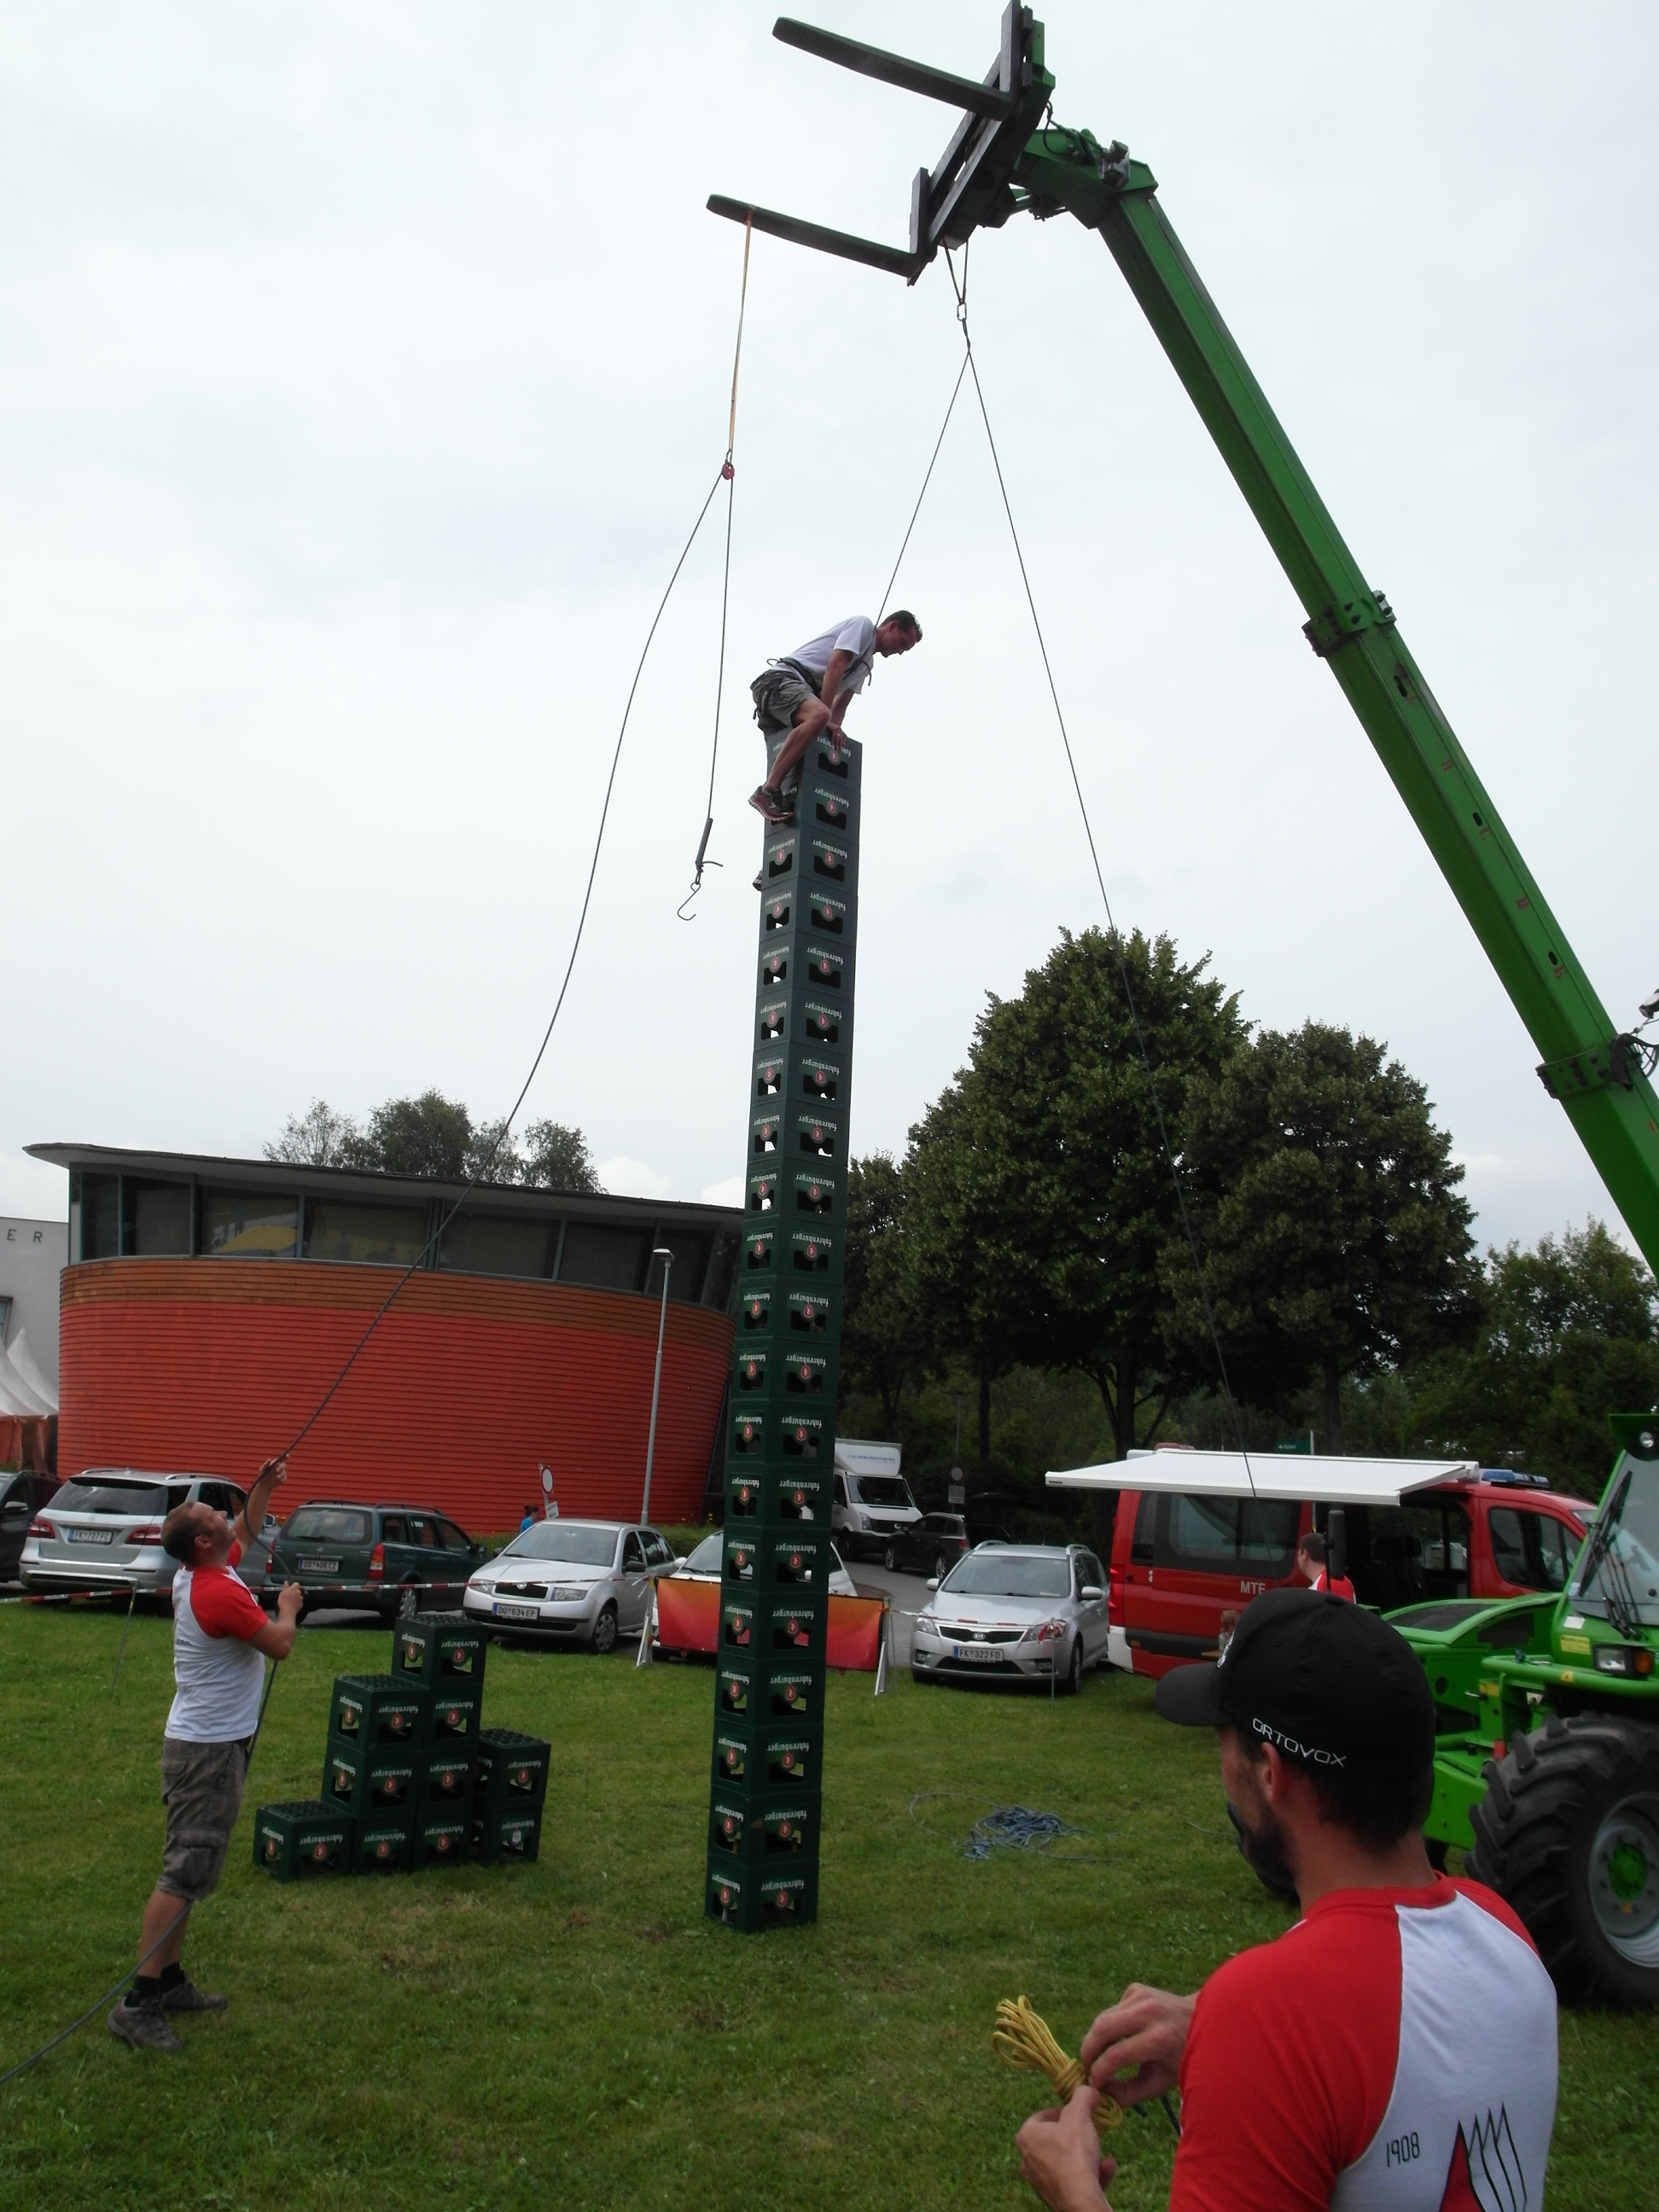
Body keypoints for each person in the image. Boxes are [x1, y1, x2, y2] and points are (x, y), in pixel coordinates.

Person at [1014, 1587, 1557, 2212]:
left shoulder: (1269, 2017)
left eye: (1222, 1738)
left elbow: (1315, 2027)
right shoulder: (1504, 1930)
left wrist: (1073, 2191)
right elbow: (1405, 2047)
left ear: (1270, 1772)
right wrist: (1212, 2028)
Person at [109, 1457, 303, 2053]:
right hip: (206, 1753)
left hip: (205, 1746)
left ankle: (168, 1981)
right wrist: (289, 1607)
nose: (220, 1512)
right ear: (200, 1540)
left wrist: (262, 1486)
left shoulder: (205, 1571)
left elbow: (245, 1529)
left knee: (192, 1871)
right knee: (183, 1873)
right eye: (208, 1512)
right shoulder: (217, 1591)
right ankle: (138, 2003)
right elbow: (279, 1645)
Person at [748, 611, 922, 824]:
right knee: (820, 715)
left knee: (795, 757)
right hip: (779, 682)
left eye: (905, 650)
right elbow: (835, 666)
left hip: (793, 699)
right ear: (892, 626)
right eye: (902, 643)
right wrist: (825, 718)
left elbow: (840, 706)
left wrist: (831, 735)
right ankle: (767, 790)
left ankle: (775, 799)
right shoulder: (863, 626)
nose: (900, 651)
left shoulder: (866, 665)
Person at [1296, 1527, 1354, 1601]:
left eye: (1298, 1555)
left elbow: (1342, 1608)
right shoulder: (1327, 1581)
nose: (1298, 1560)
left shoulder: (1331, 1582)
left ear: (1305, 1554)